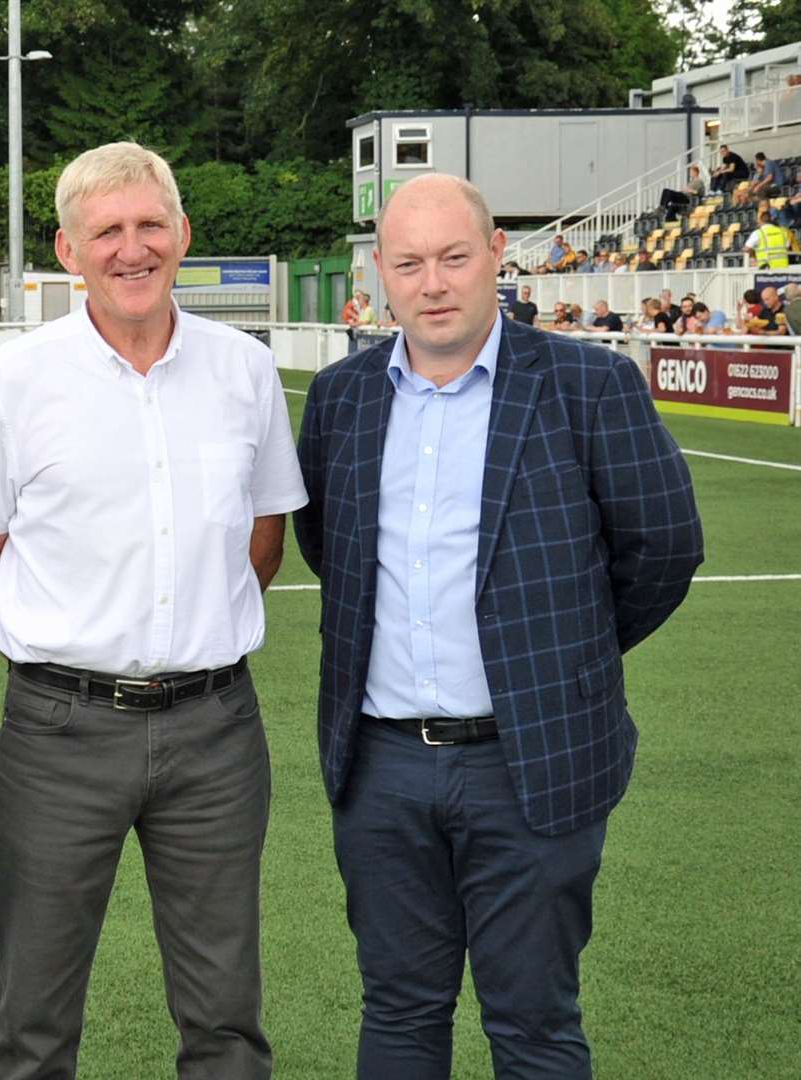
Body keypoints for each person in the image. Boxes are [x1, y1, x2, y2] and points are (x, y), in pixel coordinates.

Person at [294, 173, 702, 1080]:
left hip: (534, 765)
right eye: (409, 263)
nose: (432, 283)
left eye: (452, 258)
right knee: (398, 1013)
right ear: (383, 275)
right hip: (383, 767)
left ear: (495, 259)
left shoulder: (590, 385)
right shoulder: (342, 399)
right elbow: (333, 550)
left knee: (534, 1026)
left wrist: (558, 655)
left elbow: (664, 549)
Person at [0, 141, 303, 1080]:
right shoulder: (16, 382)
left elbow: (263, 538)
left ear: (182, 234)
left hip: (217, 732)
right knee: (32, 1020)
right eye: (107, 231)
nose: (131, 249)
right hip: (57, 734)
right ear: (68, 249)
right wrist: (55, 655)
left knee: (226, 1020)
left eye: (150, 226)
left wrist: (191, 638)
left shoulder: (244, 371)